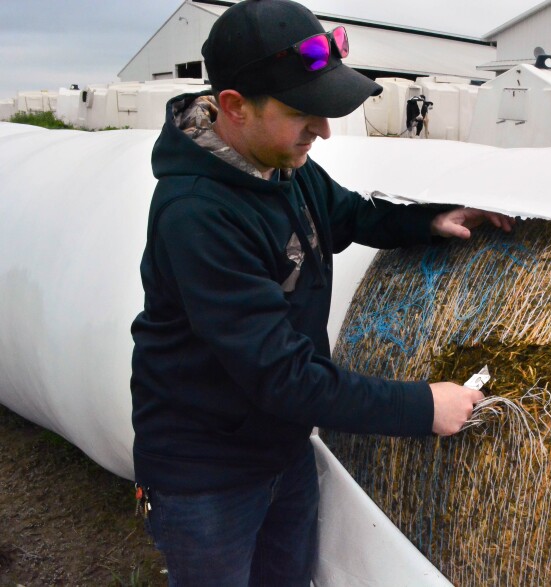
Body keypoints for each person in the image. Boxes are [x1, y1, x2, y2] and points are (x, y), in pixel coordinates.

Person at [129, 0, 513, 585]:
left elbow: (349, 216)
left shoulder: (282, 162)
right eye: (304, 112)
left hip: (282, 445)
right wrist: (423, 407)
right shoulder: (197, 215)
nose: (325, 129)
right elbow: (280, 375)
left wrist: (434, 220)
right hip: (205, 470)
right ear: (233, 106)